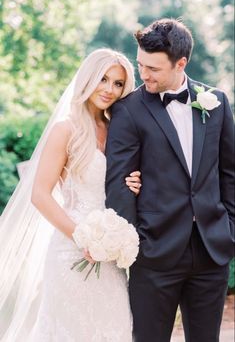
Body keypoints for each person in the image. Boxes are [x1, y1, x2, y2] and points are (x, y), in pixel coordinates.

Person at [105, 18, 235, 342]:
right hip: (154, 254)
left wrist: (230, 229)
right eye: (141, 65)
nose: (144, 74)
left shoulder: (216, 102)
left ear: (181, 63)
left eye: (153, 68)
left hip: (211, 252)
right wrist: (136, 244)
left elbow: (229, 173)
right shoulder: (128, 110)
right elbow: (119, 182)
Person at [0, 48, 142, 341]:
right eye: (103, 79)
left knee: (113, 329)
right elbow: (40, 194)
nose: (109, 89)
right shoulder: (66, 129)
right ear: (88, 78)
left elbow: (119, 184)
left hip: (111, 253)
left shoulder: (120, 130)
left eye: (118, 83)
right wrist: (82, 237)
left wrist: (135, 184)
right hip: (70, 250)